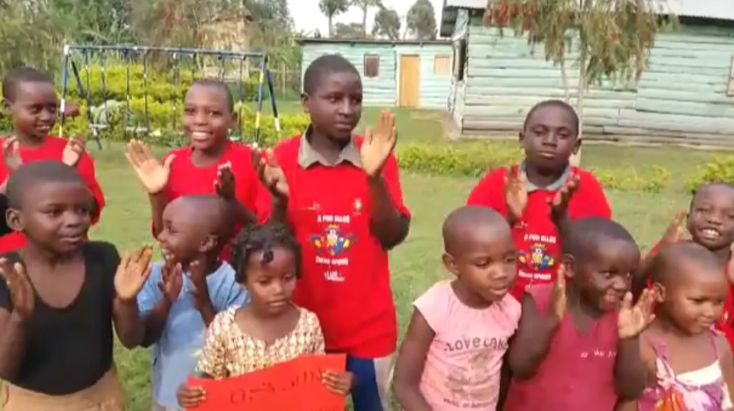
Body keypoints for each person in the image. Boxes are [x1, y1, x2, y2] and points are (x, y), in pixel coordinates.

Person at [254, 54, 411, 411]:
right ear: (307, 103)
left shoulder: (374, 154)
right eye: (334, 98)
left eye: (355, 100)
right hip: (301, 330)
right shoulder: (283, 158)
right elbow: (266, 251)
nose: (346, 109)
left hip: (369, 333)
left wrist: (373, 178)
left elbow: (393, 234)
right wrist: (279, 201)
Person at [0, 160, 152, 410]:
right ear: (16, 220)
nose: (74, 220)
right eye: (54, 212)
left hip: (101, 398)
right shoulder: (8, 273)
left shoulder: (102, 258)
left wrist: (126, 300)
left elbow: (131, 339)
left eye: (82, 210)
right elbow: (6, 368)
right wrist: (20, 317)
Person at [176, 223, 354, 409]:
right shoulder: (225, 326)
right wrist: (192, 393)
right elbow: (210, 379)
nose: (278, 289)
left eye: (287, 278)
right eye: (264, 281)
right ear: (244, 282)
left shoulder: (308, 325)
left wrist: (346, 380)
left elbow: (320, 381)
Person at [502, 216, 655, 411]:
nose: (622, 285)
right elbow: (520, 367)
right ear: (571, 267)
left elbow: (631, 391)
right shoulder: (540, 299)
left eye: (628, 275)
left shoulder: (623, 317)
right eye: (608, 274)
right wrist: (550, 322)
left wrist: (630, 340)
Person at [113, 195, 249, 411]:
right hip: (168, 399)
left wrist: (203, 300)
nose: (161, 236)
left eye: (171, 230)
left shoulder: (234, 283)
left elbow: (236, 349)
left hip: (220, 402)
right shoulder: (156, 274)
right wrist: (166, 301)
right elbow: (142, 339)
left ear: (206, 242)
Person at [466, 100, 611, 300]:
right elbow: (467, 246)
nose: (550, 141)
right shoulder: (498, 182)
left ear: (576, 146)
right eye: (539, 132)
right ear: (522, 138)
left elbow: (599, 257)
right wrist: (508, 219)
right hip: (498, 298)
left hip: (562, 303)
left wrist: (562, 220)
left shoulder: (585, 187)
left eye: (562, 135)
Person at [393, 206, 521, 411]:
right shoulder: (435, 308)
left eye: (509, 260)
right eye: (483, 264)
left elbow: (504, 375)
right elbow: (404, 385)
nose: (501, 273)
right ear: (452, 264)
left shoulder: (510, 311)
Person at [125, 78, 262, 260]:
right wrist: (157, 195)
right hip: (182, 280)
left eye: (213, 113)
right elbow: (163, 234)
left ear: (233, 119)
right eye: (190, 111)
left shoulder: (251, 162)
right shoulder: (172, 163)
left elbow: (264, 233)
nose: (199, 120)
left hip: (236, 279)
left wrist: (231, 203)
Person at [617, 242, 734, 411]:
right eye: (698, 301)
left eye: (718, 302)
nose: (710, 312)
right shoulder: (644, 347)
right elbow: (627, 400)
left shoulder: (719, 345)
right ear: (660, 293)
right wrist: (628, 341)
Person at [0, 67, 105, 254]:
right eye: (35, 109)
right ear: (8, 107)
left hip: (65, 263)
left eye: (52, 108)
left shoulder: (72, 153)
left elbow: (92, 211)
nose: (47, 117)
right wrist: (14, 181)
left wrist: (66, 172)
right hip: (8, 263)